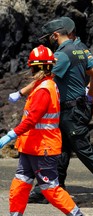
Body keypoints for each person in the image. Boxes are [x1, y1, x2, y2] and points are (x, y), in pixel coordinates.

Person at [9, 18, 93, 203]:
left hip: (70, 111)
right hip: (77, 107)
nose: (48, 41)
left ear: (56, 35)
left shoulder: (62, 55)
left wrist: (20, 92)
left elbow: (43, 77)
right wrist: (89, 94)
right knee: (61, 150)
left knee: (84, 151)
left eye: (49, 37)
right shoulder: (80, 48)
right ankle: (49, 188)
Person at [0, 45, 83, 215]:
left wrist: (9, 135)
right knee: (20, 183)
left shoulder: (44, 90)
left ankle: (76, 214)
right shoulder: (43, 84)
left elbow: (31, 120)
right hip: (32, 146)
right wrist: (20, 93)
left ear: (35, 67)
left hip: (43, 148)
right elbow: (34, 85)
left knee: (50, 189)